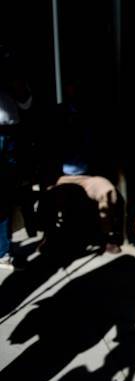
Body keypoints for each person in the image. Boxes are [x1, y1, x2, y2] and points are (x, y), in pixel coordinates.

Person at [0, 44, 32, 271]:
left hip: (11, 135)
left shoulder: (10, 74)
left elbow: (25, 102)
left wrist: (12, 77)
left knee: (6, 197)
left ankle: (3, 250)